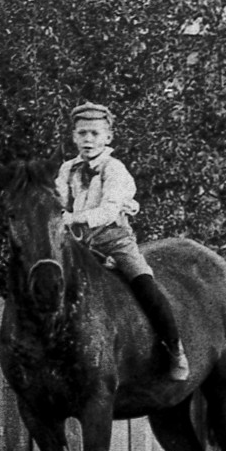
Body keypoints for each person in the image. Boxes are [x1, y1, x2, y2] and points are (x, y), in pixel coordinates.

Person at [58, 102, 187, 384]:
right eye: (82, 133)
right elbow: (58, 203)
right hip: (77, 243)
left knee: (144, 285)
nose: (88, 140)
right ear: (73, 137)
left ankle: (175, 347)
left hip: (114, 240)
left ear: (108, 137)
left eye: (94, 133)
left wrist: (70, 218)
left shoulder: (114, 169)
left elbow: (107, 211)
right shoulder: (67, 169)